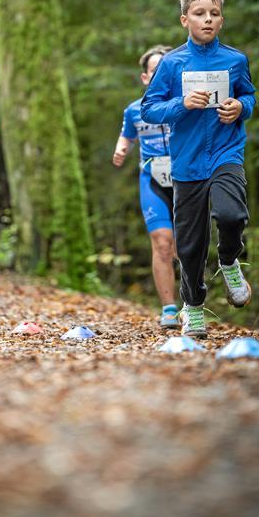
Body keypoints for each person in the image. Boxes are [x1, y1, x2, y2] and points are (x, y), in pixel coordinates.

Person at [140, 0, 256, 339]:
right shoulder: (173, 63)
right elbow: (149, 107)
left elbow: (248, 96)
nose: (207, 19)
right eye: (199, 13)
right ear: (184, 20)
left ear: (221, 21)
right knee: (189, 246)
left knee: (232, 214)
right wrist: (181, 104)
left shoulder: (235, 61)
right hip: (188, 162)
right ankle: (192, 306)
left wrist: (240, 107)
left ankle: (229, 261)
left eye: (214, 14)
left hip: (226, 153)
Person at [112, 46, 180, 329]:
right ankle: (169, 309)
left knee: (184, 247)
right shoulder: (134, 110)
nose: (159, 75)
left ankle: (194, 304)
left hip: (185, 179)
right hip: (151, 179)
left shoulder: (185, 104)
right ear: (145, 78)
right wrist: (121, 150)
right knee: (162, 243)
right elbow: (126, 137)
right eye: (155, 71)